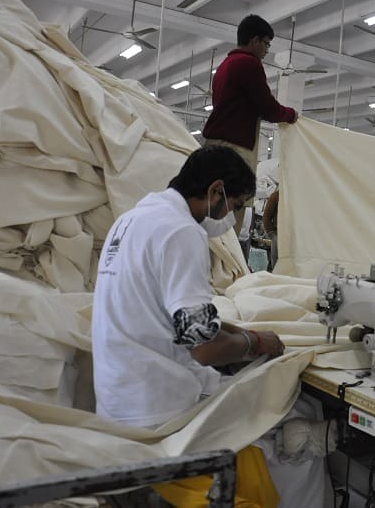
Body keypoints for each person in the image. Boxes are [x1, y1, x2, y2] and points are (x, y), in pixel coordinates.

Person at [91, 145, 327, 506]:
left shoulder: (133, 220)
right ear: (216, 191)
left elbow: (183, 322)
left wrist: (243, 334)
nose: (232, 217)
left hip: (118, 398)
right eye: (235, 205)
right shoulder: (181, 232)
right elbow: (203, 349)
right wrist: (255, 343)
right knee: (299, 426)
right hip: (155, 409)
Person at [202, 14, 298, 233]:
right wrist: (291, 115)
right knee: (230, 214)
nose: (266, 50)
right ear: (255, 40)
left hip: (216, 146)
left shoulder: (225, 65)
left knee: (213, 209)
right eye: (266, 44)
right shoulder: (248, 63)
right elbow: (268, 108)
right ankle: (226, 255)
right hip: (235, 149)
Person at [262, 188, 279, 270]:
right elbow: (266, 217)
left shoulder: (297, 197)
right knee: (276, 266)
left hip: (294, 237)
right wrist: (272, 234)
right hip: (278, 235)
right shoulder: (276, 195)